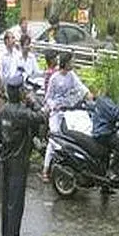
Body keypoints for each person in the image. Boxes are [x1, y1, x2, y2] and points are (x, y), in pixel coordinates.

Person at [0, 73, 45, 236]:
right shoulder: (21, 113)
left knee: (7, 203)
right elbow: (41, 117)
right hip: (18, 163)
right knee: (15, 205)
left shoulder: (3, 110)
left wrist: (5, 143)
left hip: (6, 159)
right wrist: (33, 102)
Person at [42, 52, 92, 182]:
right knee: (55, 138)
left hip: (69, 111)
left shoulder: (72, 75)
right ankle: (46, 169)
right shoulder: (54, 78)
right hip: (56, 113)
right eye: (72, 61)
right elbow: (48, 98)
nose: (73, 64)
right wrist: (55, 106)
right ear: (66, 63)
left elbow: (80, 86)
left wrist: (88, 94)